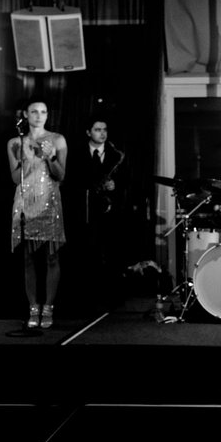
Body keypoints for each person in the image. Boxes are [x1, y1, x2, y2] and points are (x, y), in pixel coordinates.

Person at [7, 99, 68, 329]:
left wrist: (50, 157)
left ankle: (48, 307)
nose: (39, 115)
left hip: (49, 201)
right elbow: (15, 179)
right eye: (34, 111)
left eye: (43, 111)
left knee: (52, 257)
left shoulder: (57, 139)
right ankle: (33, 307)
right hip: (25, 202)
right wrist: (23, 157)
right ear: (26, 114)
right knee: (28, 257)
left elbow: (61, 175)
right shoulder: (15, 142)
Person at [74, 115, 127, 308]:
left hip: (110, 213)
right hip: (86, 211)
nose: (102, 133)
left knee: (111, 254)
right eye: (97, 130)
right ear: (88, 132)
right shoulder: (78, 153)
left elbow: (128, 182)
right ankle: (89, 298)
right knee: (88, 253)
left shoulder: (116, 155)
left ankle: (111, 298)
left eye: (104, 129)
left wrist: (116, 185)